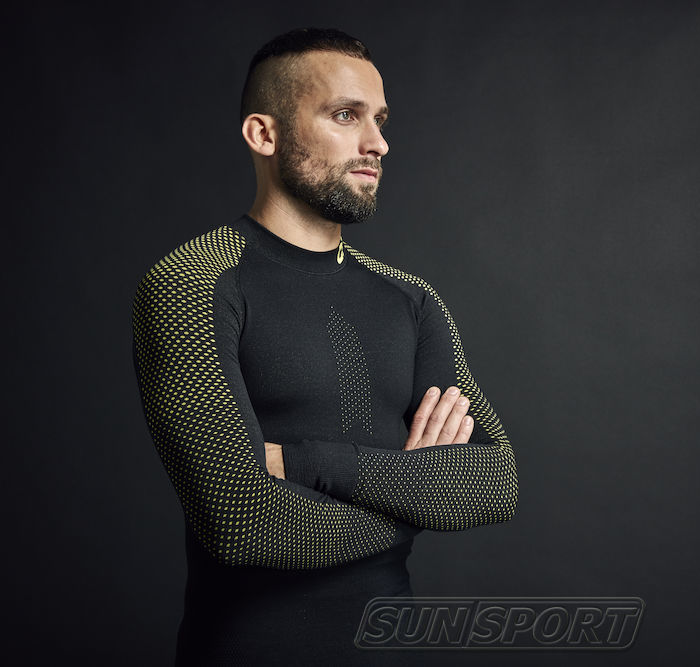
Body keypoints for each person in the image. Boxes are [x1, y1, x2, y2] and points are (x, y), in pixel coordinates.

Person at [131, 27, 517, 665]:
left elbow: (494, 483)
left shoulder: (411, 299)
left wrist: (302, 463)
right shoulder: (193, 284)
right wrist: (416, 494)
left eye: (380, 120)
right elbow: (244, 525)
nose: (378, 143)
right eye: (345, 115)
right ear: (265, 134)